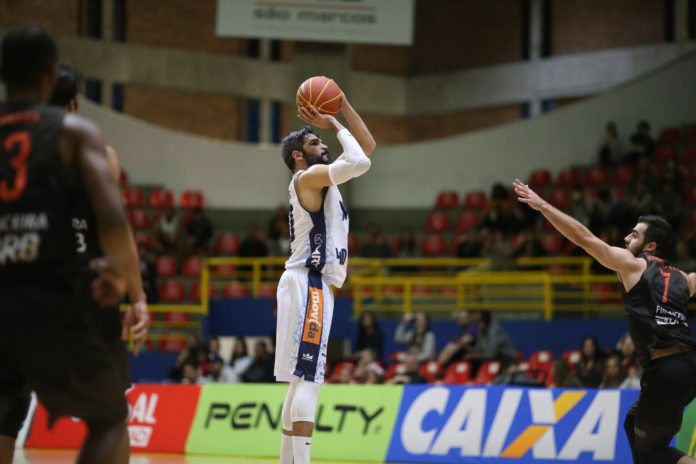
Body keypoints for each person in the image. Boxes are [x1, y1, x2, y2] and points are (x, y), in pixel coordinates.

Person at [0, 28, 148, 464]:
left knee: (5, 418)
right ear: (49, 75)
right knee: (108, 417)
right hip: (62, 298)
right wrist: (130, 288)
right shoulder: (76, 134)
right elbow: (112, 220)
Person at [514, 178, 696, 464]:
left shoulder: (633, 264)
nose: (626, 239)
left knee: (650, 452)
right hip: (688, 367)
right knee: (632, 425)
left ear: (650, 245)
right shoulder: (684, 280)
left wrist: (543, 206)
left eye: (634, 235)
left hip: (666, 370)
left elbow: (584, 238)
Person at [274, 96, 375, 464]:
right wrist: (332, 123)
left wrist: (344, 106)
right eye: (315, 143)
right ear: (298, 156)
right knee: (311, 380)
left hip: (307, 283)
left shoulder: (321, 180)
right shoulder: (307, 177)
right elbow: (362, 161)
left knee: (301, 379)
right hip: (309, 282)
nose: (326, 145)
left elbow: (366, 147)